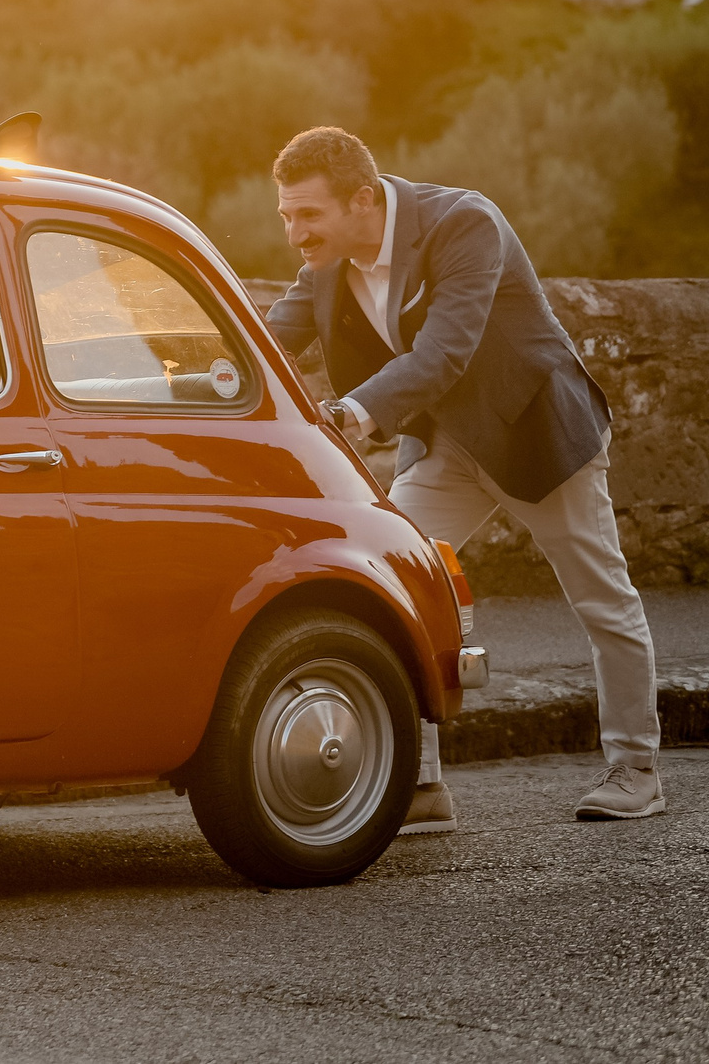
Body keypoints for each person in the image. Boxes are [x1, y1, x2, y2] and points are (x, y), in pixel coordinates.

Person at [264, 127, 661, 828]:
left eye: (308, 215)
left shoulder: (464, 223)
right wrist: (189, 378)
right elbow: (268, 340)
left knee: (602, 598)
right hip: (445, 445)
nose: (295, 232)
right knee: (389, 583)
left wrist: (350, 414)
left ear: (362, 199)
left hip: (533, 432)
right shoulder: (327, 258)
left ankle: (637, 769)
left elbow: (442, 353)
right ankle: (419, 786)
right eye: (286, 215)